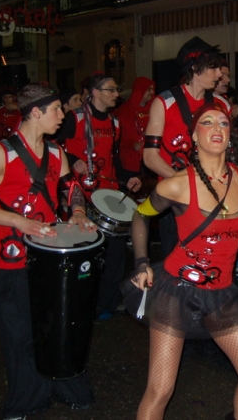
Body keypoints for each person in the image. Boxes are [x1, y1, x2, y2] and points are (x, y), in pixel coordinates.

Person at [128, 100, 238, 420]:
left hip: (222, 293)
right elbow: (140, 215)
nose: (218, 128)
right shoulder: (177, 184)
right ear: (193, 137)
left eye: (224, 123)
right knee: (160, 390)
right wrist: (142, 262)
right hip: (176, 292)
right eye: (208, 122)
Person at [0, 83, 95, 419]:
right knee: (19, 334)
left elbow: (71, 190)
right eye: (56, 109)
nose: (62, 115)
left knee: (56, 326)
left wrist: (78, 212)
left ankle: (63, 384)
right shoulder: (1, 153)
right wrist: (17, 222)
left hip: (49, 258)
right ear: (35, 112)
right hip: (11, 260)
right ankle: (27, 398)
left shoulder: (55, 152)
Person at [57, 73, 141, 318]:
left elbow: (114, 160)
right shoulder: (74, 118)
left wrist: (129, 177)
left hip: (106, 194)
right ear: (94, 92)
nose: (116, 94)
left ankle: (109, 301)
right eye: (111, 90)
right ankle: (84, 302)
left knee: (115, 252)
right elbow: (52, 147)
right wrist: (73, 160)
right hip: (80, 195)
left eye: (117, 90)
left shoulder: (115, 123)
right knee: (86, 253)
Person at [142, 36, 228, 259]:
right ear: (195, 68)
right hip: (174, 200)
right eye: (214, 67)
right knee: (175, 265)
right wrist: (183, 183)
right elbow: (150, 156)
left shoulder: (219, 105)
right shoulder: (164, 103)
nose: (220, 74)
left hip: (210, 197)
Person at [117, 76, 155, 183]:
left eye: (152, 89)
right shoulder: (124, 111)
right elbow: (118, 138)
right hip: (130, 162)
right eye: (148, 89)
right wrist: (133, 144)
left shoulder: (154, 109)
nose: (151, 92)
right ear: (140, 90)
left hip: (151, 160)